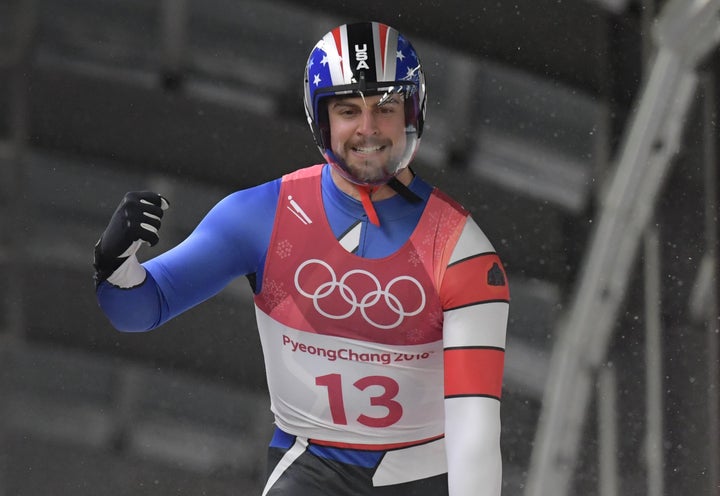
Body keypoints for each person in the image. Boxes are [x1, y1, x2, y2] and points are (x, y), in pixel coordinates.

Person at [94, 21, 509, 496]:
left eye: (386, 108)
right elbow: (139, 310)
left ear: (414, 115)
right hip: (311, 467)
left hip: (424, 476)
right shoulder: (260, 216)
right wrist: (113, 262)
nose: (368, 129)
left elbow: (474, 426)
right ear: (320, 119)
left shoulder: (463, 251)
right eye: (349, 110)